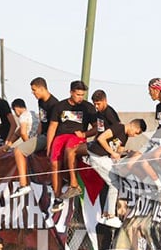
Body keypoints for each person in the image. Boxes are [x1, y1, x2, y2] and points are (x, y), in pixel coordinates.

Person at [44, 80, 96, 213]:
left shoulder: (88, 107)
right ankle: (57, 198)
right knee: (54, 163)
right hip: (60, 136)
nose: (80, 97)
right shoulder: (59, 106)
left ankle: (73, 183)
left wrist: (85, 133)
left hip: (76, 137)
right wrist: (49, 147)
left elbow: (97, 128)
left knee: (69, 148)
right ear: (71, 92)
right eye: (78, 94)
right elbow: (52, 127)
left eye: (82, 95)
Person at [87, 119, 147, 228]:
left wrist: (128, 153)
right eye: (136, 133)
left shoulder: (125, 137)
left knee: (115, 183)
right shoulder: (119, 127)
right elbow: (101, 138)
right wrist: (111, 152)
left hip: (104, 158)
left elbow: (119, 152)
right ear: (136, 128)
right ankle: (110, 215)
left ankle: (106, 215)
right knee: (114, 184)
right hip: (97, 156)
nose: (134, 136)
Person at [9, 77, 59, 199]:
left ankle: (23, 184)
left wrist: (49, 144)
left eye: (34, 90)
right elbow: (42, 122)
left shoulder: (54, 104)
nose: (33, 93)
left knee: (18, 151)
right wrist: (36, 136)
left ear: (42, 89)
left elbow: (54, 127)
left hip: (50, 137)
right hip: (42, 135)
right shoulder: (40, 102)